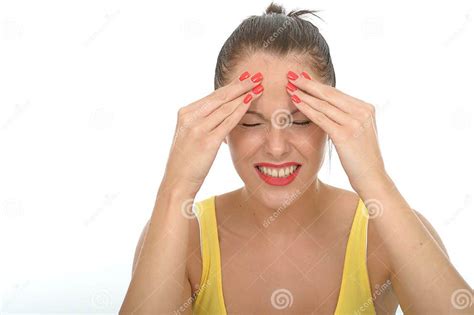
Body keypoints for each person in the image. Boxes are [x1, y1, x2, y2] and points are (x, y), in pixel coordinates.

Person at [120, 3, 473, 314]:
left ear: (332, 119)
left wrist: (375, 180)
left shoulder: (385, 231)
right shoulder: (181, 233)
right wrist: (175, 187)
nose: (276, 147)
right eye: (251, 122)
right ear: (221, 126)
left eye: (300, 120)